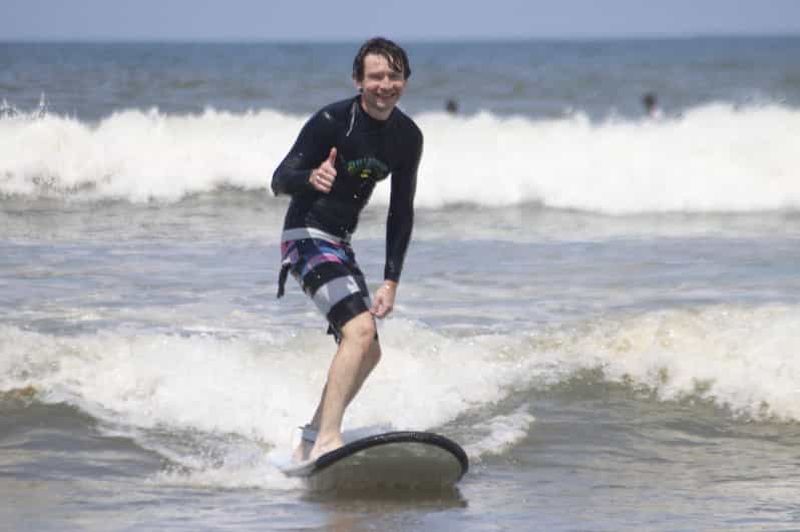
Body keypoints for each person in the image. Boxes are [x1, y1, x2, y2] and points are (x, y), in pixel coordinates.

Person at [271, 37, 423, 462]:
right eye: (375, 76)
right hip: (305, 235)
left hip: (340, 243)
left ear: (405, 81)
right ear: (359, 80)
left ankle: (311, 436)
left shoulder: (407, 137)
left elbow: (401, 213)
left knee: (368, 348)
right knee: (358, 331)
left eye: (394, 76)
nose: (384, 85)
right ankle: (327, 440)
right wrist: (309, 179)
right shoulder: (331, 121)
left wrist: (391, 280)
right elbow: (279, 178)